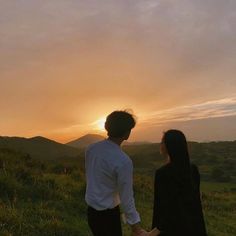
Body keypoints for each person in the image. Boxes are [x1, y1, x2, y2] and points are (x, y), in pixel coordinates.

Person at [85, 110, 159, 236]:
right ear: (126, 133)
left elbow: (92, 177)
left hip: (91, 213)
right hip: (108, 216)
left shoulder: (91, 149)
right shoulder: (123, 161)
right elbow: (127, 197)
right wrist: (136, 228)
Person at [152, 130, 207, 236]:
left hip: (171, 229)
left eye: (162, 142)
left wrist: (157, 230)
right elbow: (196, 202)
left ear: (168, 146)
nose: (160, 145)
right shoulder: (193, 169)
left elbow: (164, 207)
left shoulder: (163, 173)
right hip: (194, 226)